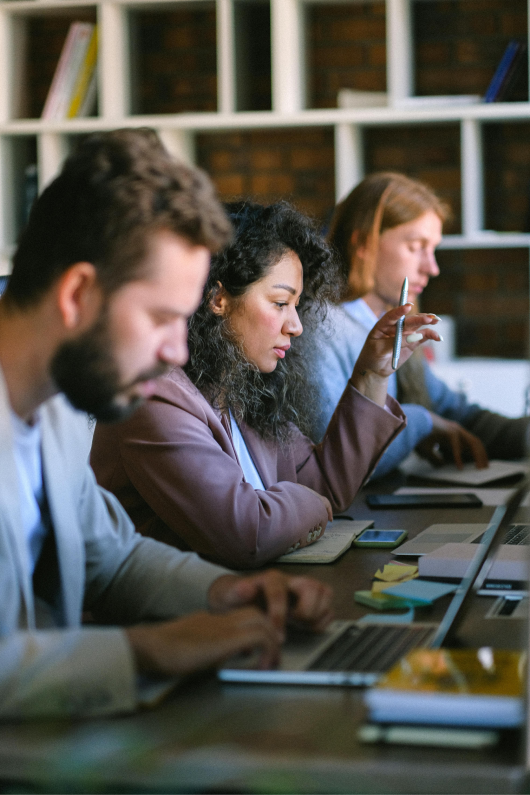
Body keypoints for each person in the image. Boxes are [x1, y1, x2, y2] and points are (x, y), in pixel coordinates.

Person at [0, 129, 335, 719]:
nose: (179, 352)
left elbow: (115, 557)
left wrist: (223, 592)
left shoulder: (45, 406)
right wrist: (145, 650)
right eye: (161, 318)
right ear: (77, 293)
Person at [91, 200, 441, 569]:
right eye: (279, 303)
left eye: (296, 305)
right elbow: (248, 532)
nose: (296, 325)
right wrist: (311, 505)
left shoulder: (240, 386)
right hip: (170, 618)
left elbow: (326, 483)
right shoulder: (155, 396)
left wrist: (372, 373)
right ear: (218, 298)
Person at [310, 172, 529, 477]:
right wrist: (421, 422)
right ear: (362, 243)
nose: (432, 267)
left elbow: (457, 413)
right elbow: (337, 461)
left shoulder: (388, 327)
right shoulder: (320, 330)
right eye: (415, 247)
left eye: (433, 249)